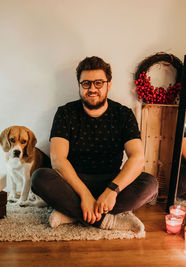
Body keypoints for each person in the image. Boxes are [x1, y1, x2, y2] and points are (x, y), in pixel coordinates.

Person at [31, 56, 158, 233]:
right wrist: (84, 195)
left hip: (112, 182)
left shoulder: (123, 114)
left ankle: (71, 214)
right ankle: (106, 220)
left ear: (108, 84)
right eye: (86, 83)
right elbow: (58, 159)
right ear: (79, 85)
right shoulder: (65, 113)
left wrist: (112, 191)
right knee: (39, 178)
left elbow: (137, 158)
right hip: (73, 183)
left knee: (150, 184)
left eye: (98, 83)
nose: (92, 89)